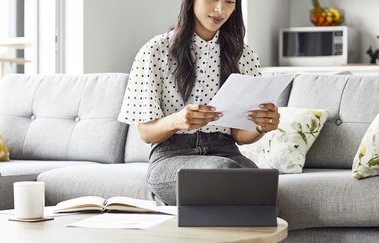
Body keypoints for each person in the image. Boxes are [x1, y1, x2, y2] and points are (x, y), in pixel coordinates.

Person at [117, 0, 280, 205]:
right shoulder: (155, 51)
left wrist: (260, 126)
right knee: (225, 174)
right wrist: (177, 121)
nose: (221, 9)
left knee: (262, 182)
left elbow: (239, 135)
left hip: (227, 153)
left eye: (229, 2)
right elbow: (146, 133)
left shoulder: (243, 55)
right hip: (171, 157)